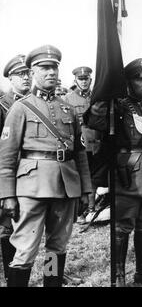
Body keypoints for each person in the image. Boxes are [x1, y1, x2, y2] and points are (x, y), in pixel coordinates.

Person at [0, 45, 92, 287]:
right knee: (24, 251)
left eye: (54, 67)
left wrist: (86, 189)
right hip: (31, 189)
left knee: (56, 247)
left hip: (65, 186)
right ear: (32, 72)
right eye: (44, 67)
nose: (51, 72)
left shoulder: (68, 109)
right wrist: (7, 194)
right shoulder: (20, 108)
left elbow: (80, 153)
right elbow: (7, 157)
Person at [84, 58, 142, 287]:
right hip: (128, 174)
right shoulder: (119, 107)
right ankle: (119, 278)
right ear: (128, 82)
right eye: (140, 80)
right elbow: (94, 120)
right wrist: (106, 93)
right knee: (123, 227)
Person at [0, 54, 31, 284]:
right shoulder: (3, 106)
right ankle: (12, 276)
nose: (26, 78)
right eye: (20, 74)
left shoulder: (38, 103)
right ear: (10, 78)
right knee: (8, 230)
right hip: (10, 175)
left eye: (28, 73)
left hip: (34, 177)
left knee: (45, 234)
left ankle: (53, 275)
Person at [64, 67, 98, 223]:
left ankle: (92, 208)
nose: (84, 82)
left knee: (94, 175)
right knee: (80, 174)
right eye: (81, 79)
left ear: (90, 80)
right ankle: (81, 210)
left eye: (86, 79)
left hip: (96, 142)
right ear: (75, 80)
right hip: (80, 142)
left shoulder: (96, 97)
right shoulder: (68, 99)